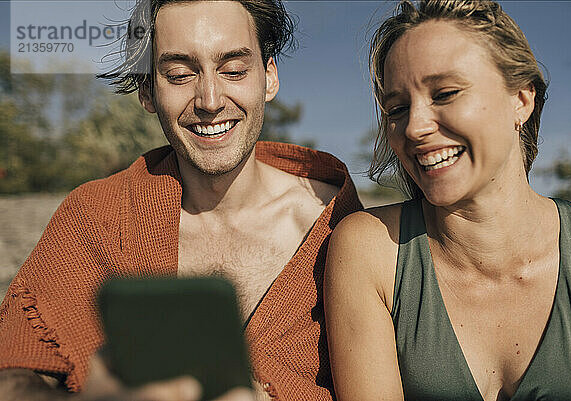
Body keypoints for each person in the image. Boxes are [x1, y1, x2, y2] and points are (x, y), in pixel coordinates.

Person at [0, 0, 362, 400]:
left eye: (235, 70)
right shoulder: (96, 218)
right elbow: (13, 376)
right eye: (178, 75)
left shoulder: (342, 229)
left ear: (269, 77)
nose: (209, 100)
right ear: (147, 92)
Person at [324, 1, 571, 400]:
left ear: (521, 100)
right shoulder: (370, 249)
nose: (415, 127)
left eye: (446, 93)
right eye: (398, 108)